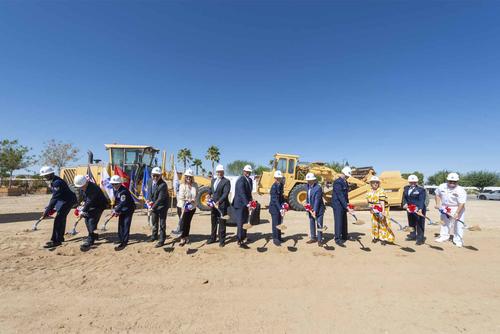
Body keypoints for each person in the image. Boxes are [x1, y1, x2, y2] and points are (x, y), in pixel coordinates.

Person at [39, 166, 77, 249]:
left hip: (67, 201)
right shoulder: (54, 180)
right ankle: (60, 238)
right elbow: (56, 197)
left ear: (51, 174)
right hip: (63, 200)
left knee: (58, 220)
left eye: (46, 175)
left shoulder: (57, 182)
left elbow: (54, 198)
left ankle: (56, 241)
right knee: (61, 218)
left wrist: (47, 211)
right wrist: (49, 209)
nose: (45, 177)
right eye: (44, 176)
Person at [73, 174, 108, 251]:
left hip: (99, 205)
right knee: (87, 220)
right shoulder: (82, 187)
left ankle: (90, 240)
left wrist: (83, 211)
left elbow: (89, 201)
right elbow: (84, 199)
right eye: (80, 186)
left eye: (82, 186)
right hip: (91, 205)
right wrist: (80, 208)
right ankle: (94, 235)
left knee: (92, 221)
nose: (81, 188)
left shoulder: (93, 188)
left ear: (86, 182)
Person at [434, 172, 467, 247]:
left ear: (457, 181)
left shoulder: (461, 190)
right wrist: (437, 204)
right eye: (450, 181)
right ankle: (444, 236)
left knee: (458, 224)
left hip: (457, 207)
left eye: (454, 181)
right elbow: (437, 194)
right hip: (445, 207)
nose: (452, 183)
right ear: (447, 180)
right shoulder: (441, 186)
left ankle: (458, 240)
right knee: (444, 222)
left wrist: (457, 213)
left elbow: (462, 203)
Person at [366, 176, 394, 245]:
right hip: (373, 209)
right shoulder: (369, 191)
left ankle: (383, 238)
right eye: (373, 182)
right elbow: (368, 201)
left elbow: (382, 201)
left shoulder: (381, 190)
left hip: (381, 208)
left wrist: (383, 211)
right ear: (371, 183)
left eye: (377, 182)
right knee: (374, 223)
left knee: (382, 223)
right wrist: (371, 209)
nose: (375, 184)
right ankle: (375, 237)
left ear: (379, 183)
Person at [110, 175, 135, 251]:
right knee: (121, 224)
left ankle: (125, 241)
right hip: (122, 209)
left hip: (128, 209)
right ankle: (121, 239)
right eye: (113, 184)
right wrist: (115, 209)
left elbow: (122, 202)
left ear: (120, 183)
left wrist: (116, 210)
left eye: (116, 184)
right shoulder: (115, 190)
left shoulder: (123, 191)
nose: (114, 185)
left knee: (126, 224)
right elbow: (117, 201)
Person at [208, 164, 231, 247]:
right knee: (213, 222)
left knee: (222, 223)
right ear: (216, 172)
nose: (219, 173)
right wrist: (208, 194)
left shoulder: (226, 181)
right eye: (218, 172)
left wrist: (219, 201)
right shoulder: (213, 180)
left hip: (222, 206)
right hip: (213, 205)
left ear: (223, 172)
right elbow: (211, 189)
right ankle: (212, 238)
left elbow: (225, 193)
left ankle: (222, 240)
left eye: (221, 172)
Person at [147, 167, 170, 248]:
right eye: (154, 175)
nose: (155, 177)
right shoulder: (149, 181)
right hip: (154, 205)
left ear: (160, 176)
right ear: (151, 175)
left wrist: (152, 207)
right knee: (154, 221)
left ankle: (161, 240)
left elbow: (160, 199)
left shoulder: (163, 185)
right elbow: (149, 192)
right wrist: (149, 201)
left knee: (162, 224)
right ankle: (154, 236)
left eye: (157, 176)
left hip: (162, 206)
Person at [331, 166, 354, 246]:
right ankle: (337, 239)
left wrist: (348, 204)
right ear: (343, 173)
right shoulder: (337, 182)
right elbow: (340, 195)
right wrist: (346, 206)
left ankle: (344, 236)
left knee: (344, 221)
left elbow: (345, 195)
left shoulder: (345, 182)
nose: (348, 177)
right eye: (347, 175)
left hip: (343, 204)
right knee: (338, 221)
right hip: (337, 205)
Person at [232, 164, 253, 246]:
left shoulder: (250, 180)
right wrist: (247, 203)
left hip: (246, 204)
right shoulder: (241, 180)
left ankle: (244, 236)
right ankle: (239, 239)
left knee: (245, 221)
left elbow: (249, 193)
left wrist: (251, 201)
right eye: (247, 171)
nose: (248, 173)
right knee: (240, 222)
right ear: (243, 171)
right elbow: (242, 193)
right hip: (240, 204)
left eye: (249, 172)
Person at [402, 174, 427, 245]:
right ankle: (412, 235)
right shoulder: (406, 188)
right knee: (411, 223)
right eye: (411, 182)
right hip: (410, 209)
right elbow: (404, 197)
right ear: (409, 182)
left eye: (414, 182)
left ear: (417, 182)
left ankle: (420, 239)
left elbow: (422, 200)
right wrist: (405, 203)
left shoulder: (421, 189)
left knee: (420, 224)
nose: (412, 183)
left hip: (418, 209)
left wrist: (420, 209)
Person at [176, 169, 198, 246]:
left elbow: (196, 194)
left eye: (190, 177)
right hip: (182, 207)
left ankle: (186, 236)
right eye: (187, 177)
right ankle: (182, 238)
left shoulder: (195, 185)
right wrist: (189, 200)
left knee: (188, 223)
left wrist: (194, 199)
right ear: (185, 177)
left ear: (192, 177)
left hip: (192, 208)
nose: (188, 178)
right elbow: (181, 197)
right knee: (183, 223)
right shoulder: (182, 185)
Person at [305, 172, 325, 247]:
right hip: (310, 209)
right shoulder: (307, 186)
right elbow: (307, 197)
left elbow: (317, 200)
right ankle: (313, 237)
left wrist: (315, 210)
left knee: (319, 224)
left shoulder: (318, 188)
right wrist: (307, 207)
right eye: (307, 180)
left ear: (314, 180)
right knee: (311, 222)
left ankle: (320, 240)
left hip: (319, 209)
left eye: (309, 180)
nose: (308, 181)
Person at [269, 170, 285, 246]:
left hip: (278, 207)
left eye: (280, 178)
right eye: (277, 178)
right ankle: (275, 239)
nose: (279, 179)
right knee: (275, 224)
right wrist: (280, 208)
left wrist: (284, 204)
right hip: (274, 208)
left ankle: (279, 237)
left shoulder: (281, 185)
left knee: (279, 222)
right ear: (275, 178)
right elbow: (275, 200)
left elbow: (281, 197)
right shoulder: (273, 187)